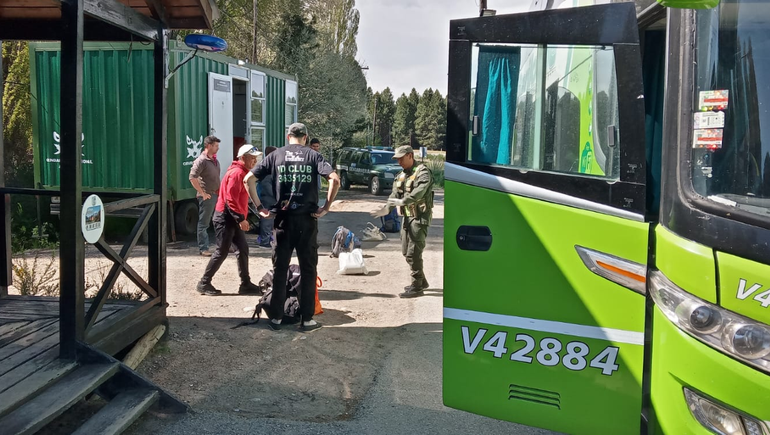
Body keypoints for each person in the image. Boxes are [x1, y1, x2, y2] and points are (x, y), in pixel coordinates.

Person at [244, 123, 340, 331]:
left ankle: (276, 318)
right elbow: (334, 180)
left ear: (288, 137)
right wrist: (326, 207)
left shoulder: (276, 156)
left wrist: (259, 206)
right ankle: (307, 320)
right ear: (305, 137)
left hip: (283, 220)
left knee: (280, 269)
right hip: (307, 219)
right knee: (308, 269)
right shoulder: (314, 156)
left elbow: (248, 179)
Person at [196, 144, 267, 296]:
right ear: (242, 158)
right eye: (252, 158)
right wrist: (241, 219)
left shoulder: (243, 172)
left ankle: (245, 284)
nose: (255, 161)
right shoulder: (237, 173)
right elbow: (231, 199)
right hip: (225, 218)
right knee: (221, 251)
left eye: (256, 158)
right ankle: (204, 283)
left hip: (231, 218)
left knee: (242, 249)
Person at [370, 145, 434, 298]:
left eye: (401, 158)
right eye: (397, 159)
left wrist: (404, 201)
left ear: (410, 156)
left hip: (419, 218)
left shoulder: (423, 173)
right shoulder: (400, 175)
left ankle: (417, 286)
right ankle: (422, 281)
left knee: (413, 252)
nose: (398, 161)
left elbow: (419, 192)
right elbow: (394, 193)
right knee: (406, 252)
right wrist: (387, 208)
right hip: (406, 217)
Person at [189, 135, 221, 256]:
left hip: (217, 194)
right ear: (209, 146)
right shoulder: (201, 160)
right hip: (208, 196)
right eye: (216, 146)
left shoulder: (214, 160)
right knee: (204, 223)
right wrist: (203, 193)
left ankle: (222, 246)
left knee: (220, 221)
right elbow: (192, 177)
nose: (218, 148)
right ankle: (203, 248)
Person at [257, 146, 278, 248]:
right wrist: (277, 196)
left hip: (270, 197)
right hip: (267, 197)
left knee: (271, 221)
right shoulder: (266, 167)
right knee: (267, 220)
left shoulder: (270, 166)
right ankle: (264, 241)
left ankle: (269, 239)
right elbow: (266, 185)